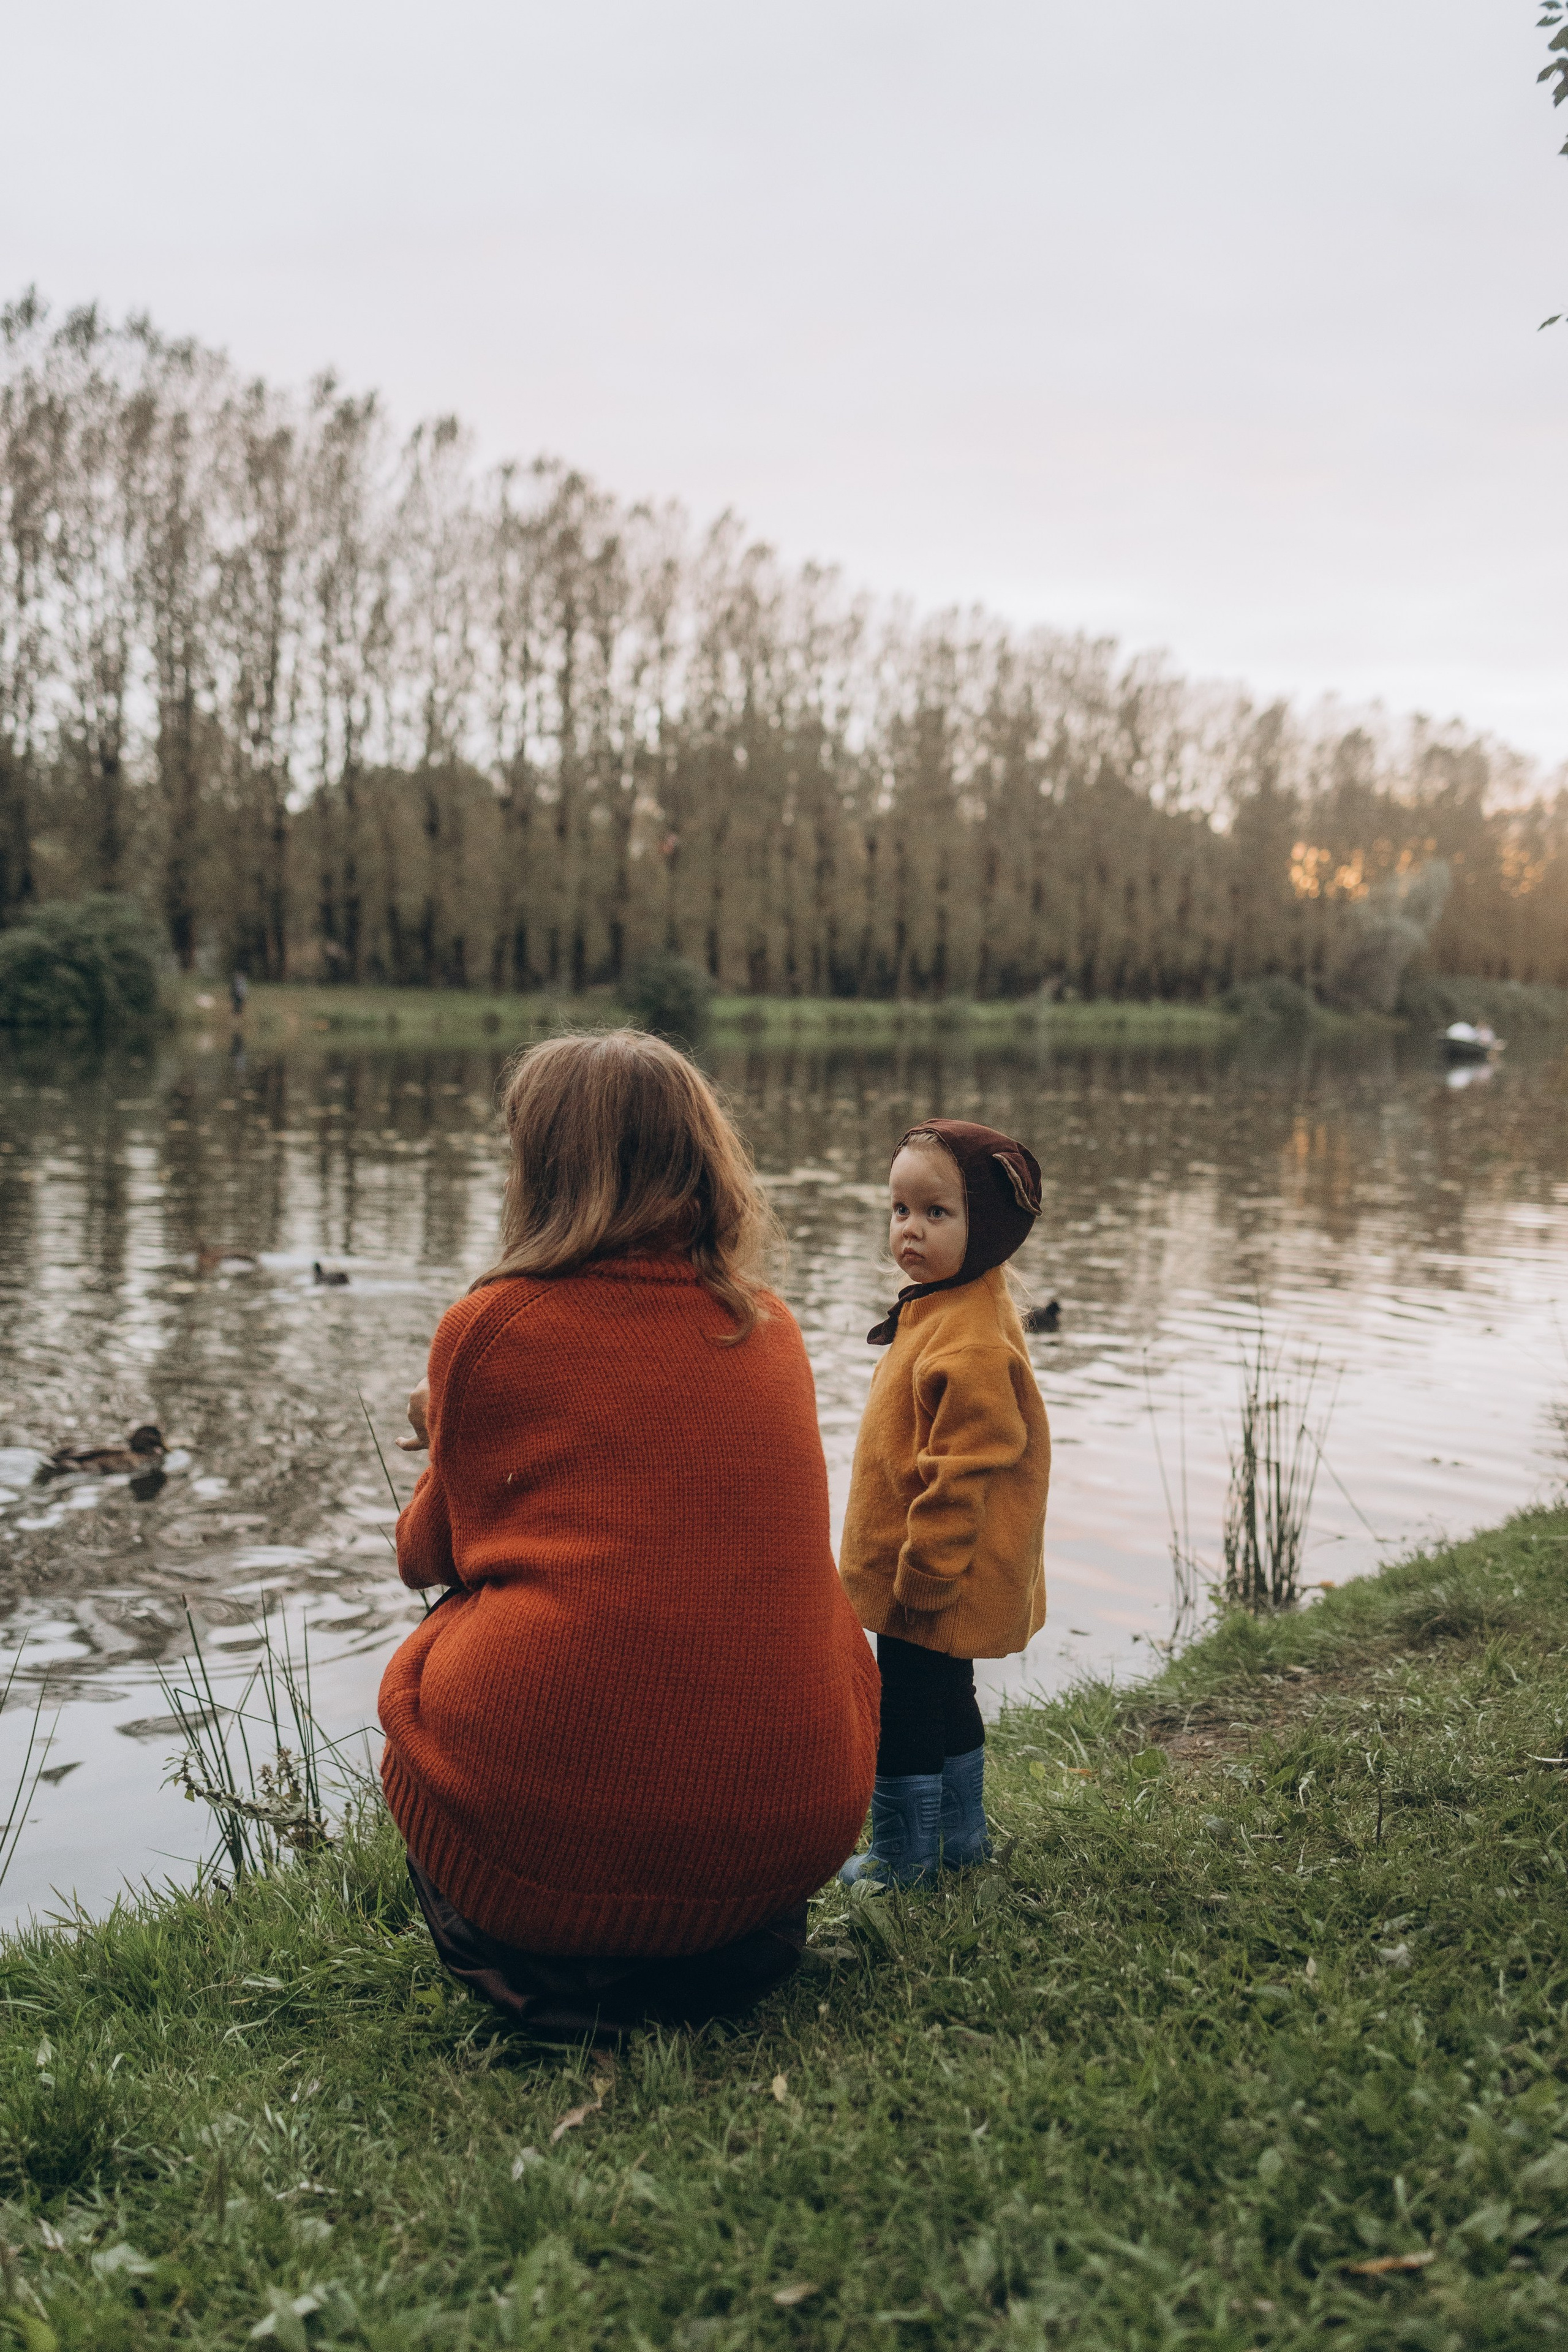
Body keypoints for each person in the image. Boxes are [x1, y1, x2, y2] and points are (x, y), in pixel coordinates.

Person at [379, 1030, 878, 2040]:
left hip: (548, 1880)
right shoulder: (769, 1325)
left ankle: (551, 1961)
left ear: (546, 1168)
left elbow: (427, 1557)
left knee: (429, 1661)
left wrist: (445, 1436)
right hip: (789, 1837)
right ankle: (715, 1938)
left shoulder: (491, 1326)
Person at [838, 1119, 1050, 1887]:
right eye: (900, 1209)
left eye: (936, 1213)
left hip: (930, 1571)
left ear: (984, 1229)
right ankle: (958, 1840)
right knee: (947, 1696)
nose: (910, 1229)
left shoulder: (968, 1338)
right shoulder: (950, 1306)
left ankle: (902, 1859)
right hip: (932, 1567)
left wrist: (927, 1571)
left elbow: (963, 1468)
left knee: (903, 1706)